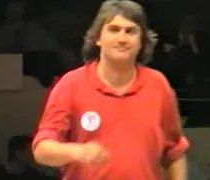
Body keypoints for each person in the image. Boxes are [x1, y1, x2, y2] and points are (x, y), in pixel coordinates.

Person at [32, 0, 190, 180]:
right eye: (113, 29)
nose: (122, 39)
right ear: (98, 38)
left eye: (130, 31)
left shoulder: (158, 84)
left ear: (141, 42)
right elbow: (42, 150)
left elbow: (175, 152)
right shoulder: (71, 84)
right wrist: (77, 152)